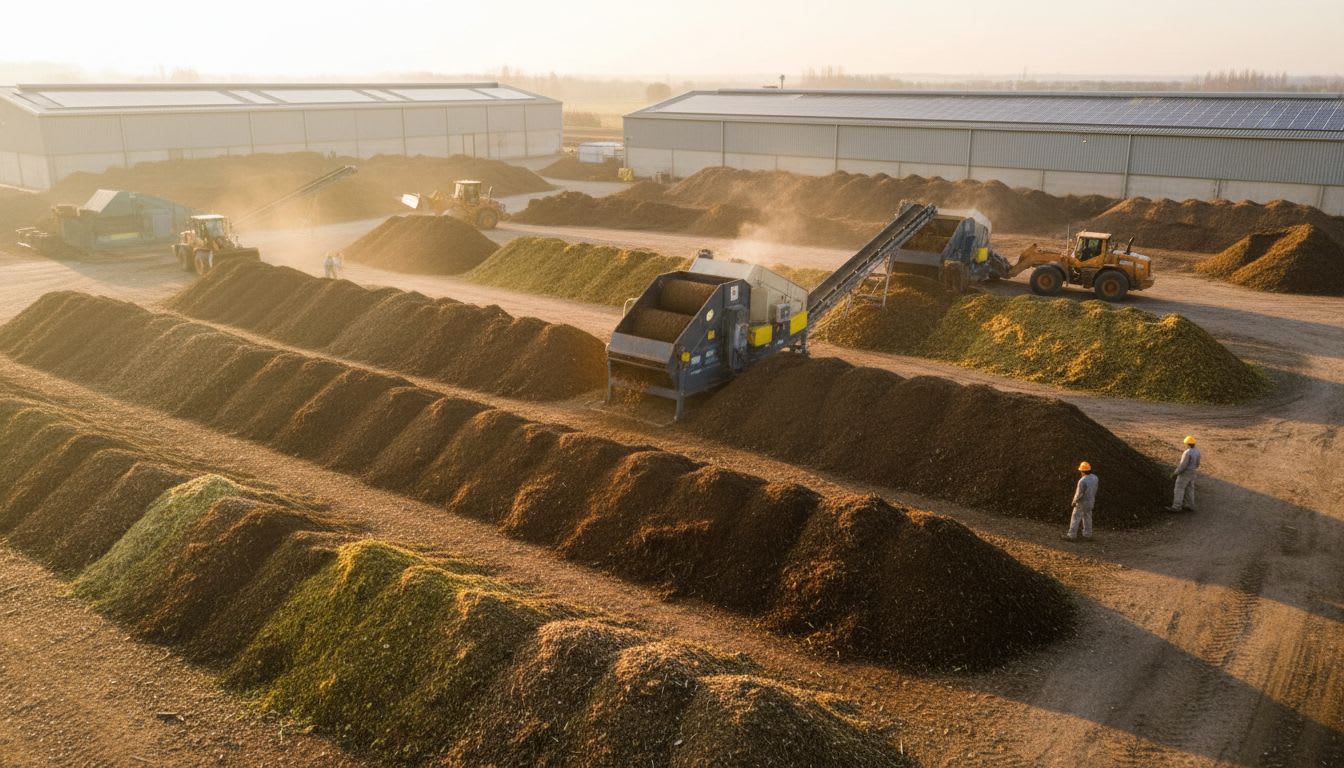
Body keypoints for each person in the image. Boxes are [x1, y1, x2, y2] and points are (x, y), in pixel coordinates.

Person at [1063, 461, 1098, 542]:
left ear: (1082, 471)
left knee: (1075, 517)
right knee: (1088, 517)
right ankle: (1088, 535)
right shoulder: (1095, 478)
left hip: (1082, 503)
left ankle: (1071, 535)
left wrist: (1074, 501)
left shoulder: (1082, 481)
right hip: (1091, 501)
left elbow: (1079, 494)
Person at [1166, 436, 1201, 512]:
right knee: (1190, 489)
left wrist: (1175, 473)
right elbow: (1198, 464)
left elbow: (1182, 466)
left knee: (1179, 489)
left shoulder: (1187, 452)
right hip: (1193, 472)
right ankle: (1190, 505)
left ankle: (1176, 507)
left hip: (1185, 473)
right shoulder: (1197, 451)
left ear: (1188, 444)